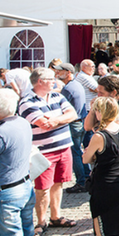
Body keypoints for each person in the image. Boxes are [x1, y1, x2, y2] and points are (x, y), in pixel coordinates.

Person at [0, 89, 44, 236]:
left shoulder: (0, 133)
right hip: (24, 185)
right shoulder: (22, 122)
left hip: (6, 192)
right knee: (28, 234)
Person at [19, 68, 78, 236]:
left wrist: (55, 120)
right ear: (40, 81)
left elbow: (72, 114)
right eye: (51, 78)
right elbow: (44, 124)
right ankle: (40, 221)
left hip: (63, 147)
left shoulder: (57, 96)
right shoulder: (27, 102)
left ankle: (55, 216)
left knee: (59, 183)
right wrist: (62, 118)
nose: (55, 81)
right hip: (44, 152)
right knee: (42, 188)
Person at [82, 97, 119, 236]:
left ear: (100, 112)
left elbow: (86, 159)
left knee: (104, 223)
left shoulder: (99, 136)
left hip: (105, 183)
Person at [53, 63, 90, 195]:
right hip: (80, 121)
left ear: (68, 73)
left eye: (60, 71)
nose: (57, 74)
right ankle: (86, 176)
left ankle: (81, 181)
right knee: (79, 152)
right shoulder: (75, 84)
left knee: (75, 153)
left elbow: (60, 108)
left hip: (74, 123)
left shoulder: (68, 88)